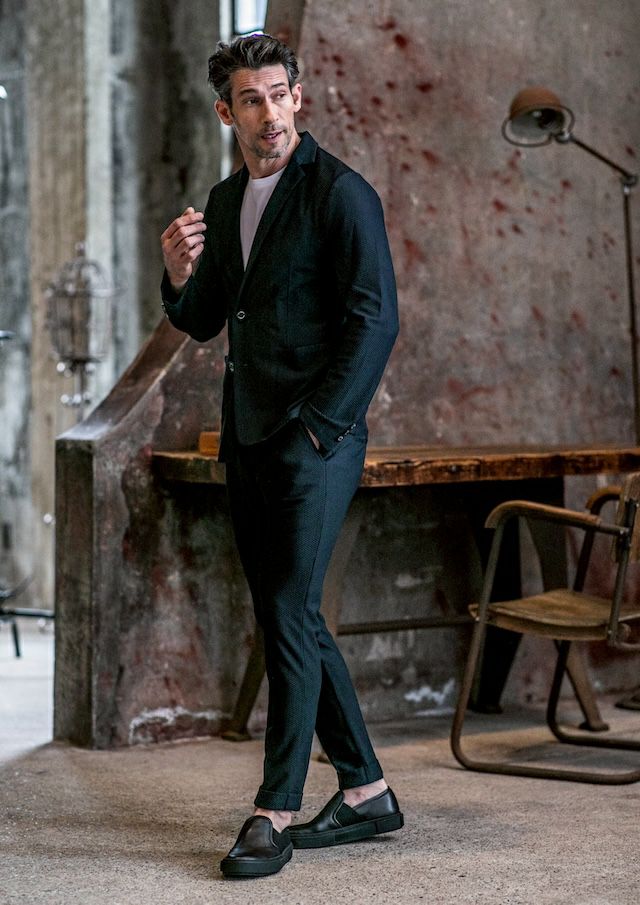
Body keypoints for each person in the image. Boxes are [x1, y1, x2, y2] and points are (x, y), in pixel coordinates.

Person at [160, 33, 401, 879]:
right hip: (249, 437)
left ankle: (275, 809)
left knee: (290, 614)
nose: (269, 113)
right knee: (286, 615)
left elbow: (376, 321)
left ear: (299, 96)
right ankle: (367, 790)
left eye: (278, 94)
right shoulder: (227, 201)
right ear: (226, 112)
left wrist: (318, 429)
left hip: (315, 441)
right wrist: (176, 274)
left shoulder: (342, 193)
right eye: (250, 100)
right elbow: (204, 319)